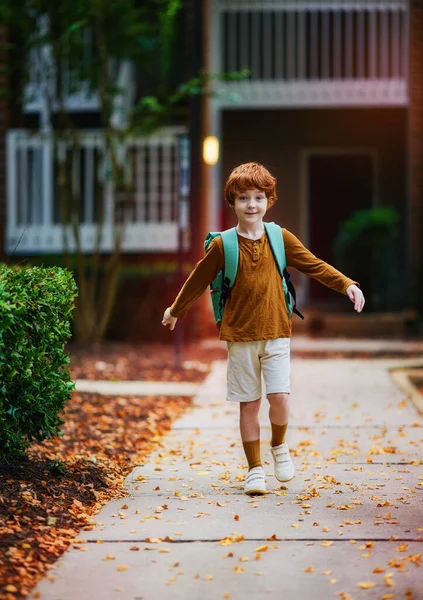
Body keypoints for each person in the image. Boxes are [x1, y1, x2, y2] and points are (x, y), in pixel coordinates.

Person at [162, 162, 365, 495]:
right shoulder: (223, 245)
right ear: (233, 202)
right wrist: (175, 310)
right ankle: (254, 468)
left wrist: (346, 285)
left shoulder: (279, 237)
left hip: (276, 331)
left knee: (280, 397)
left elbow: (313, 264)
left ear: (269, 200)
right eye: (243, 198)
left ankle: (279, 445)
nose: (251, 204)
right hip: (240, 337)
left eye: (258, 197)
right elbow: (198, 279)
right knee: (250, 404)